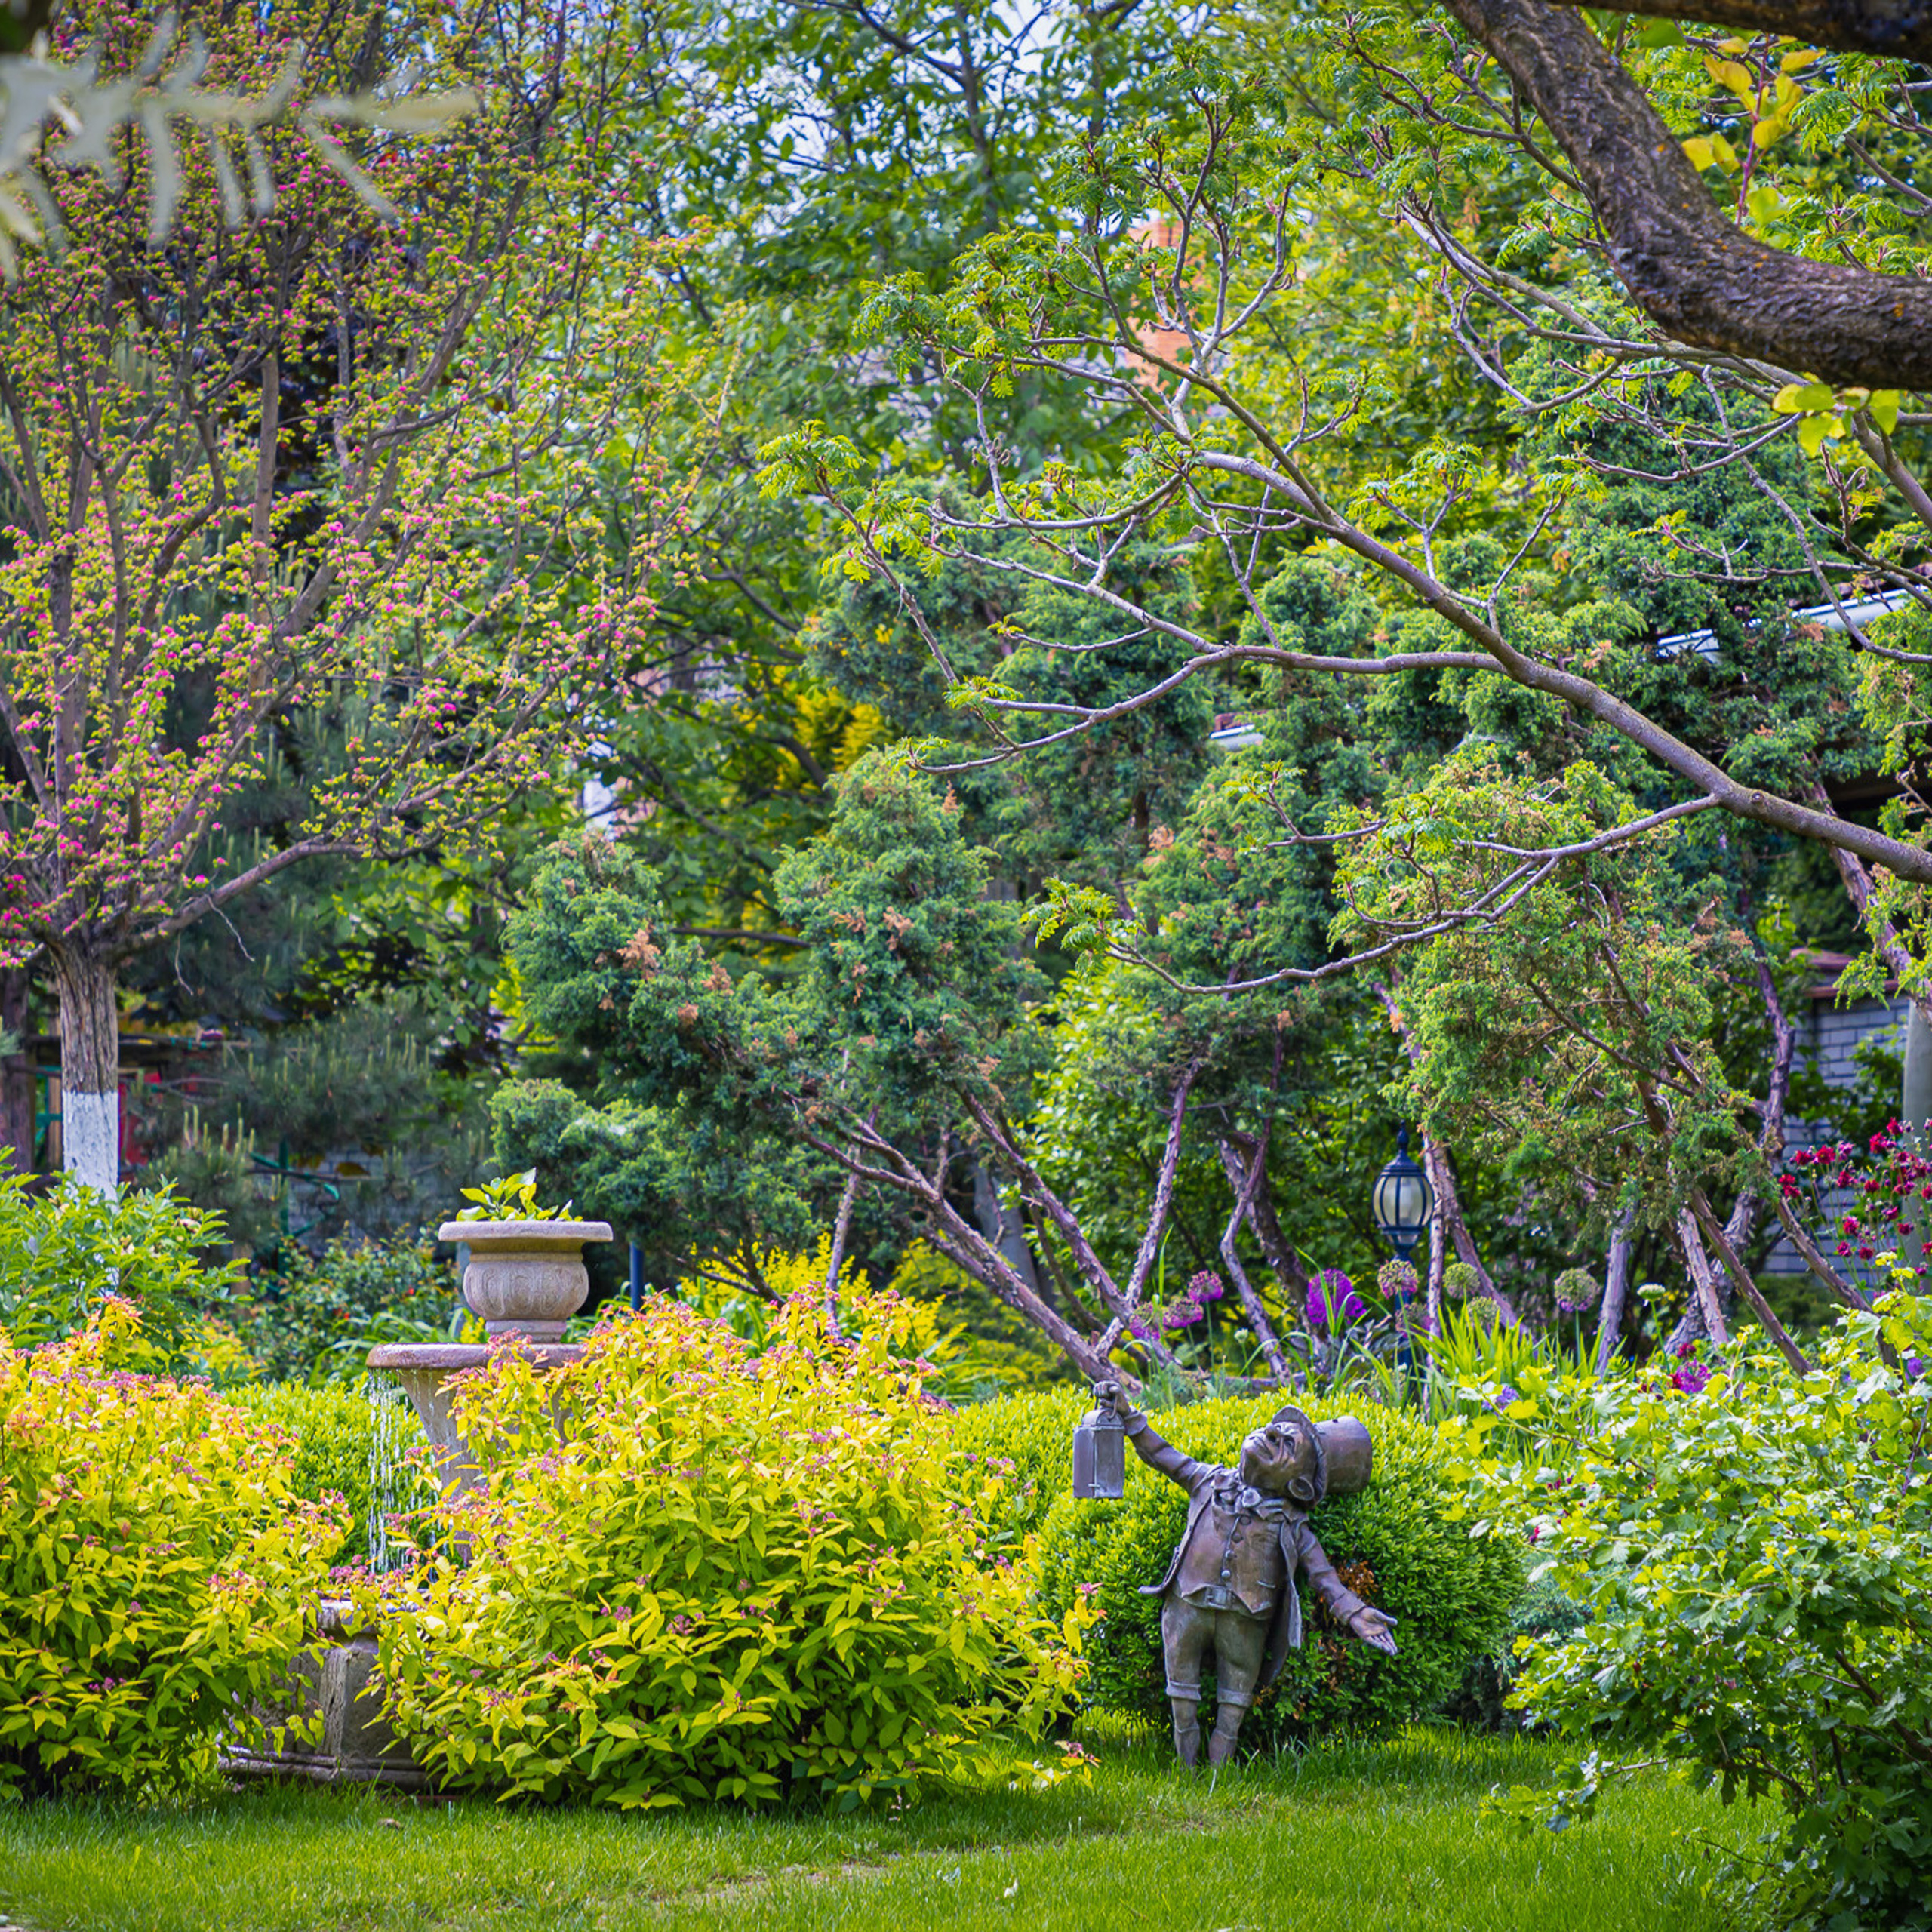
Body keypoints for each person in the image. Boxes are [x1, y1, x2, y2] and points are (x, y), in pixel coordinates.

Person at [1093, 1383, 1398, 1767]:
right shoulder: (1208, 1481)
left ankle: (1219, 1776)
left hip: (1246, 1623)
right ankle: (1186, 1772)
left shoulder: (1291, 1522)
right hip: (1186, 1606)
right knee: (1181, 1698)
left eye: (1287, 1445)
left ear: (1298, 1485)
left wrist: (1354, 1612)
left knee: (1232, 1710)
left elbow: (1324, 1577)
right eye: (1274, 1429)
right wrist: (1129, 1415)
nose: (1268, 1432)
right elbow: (1162, 1454)